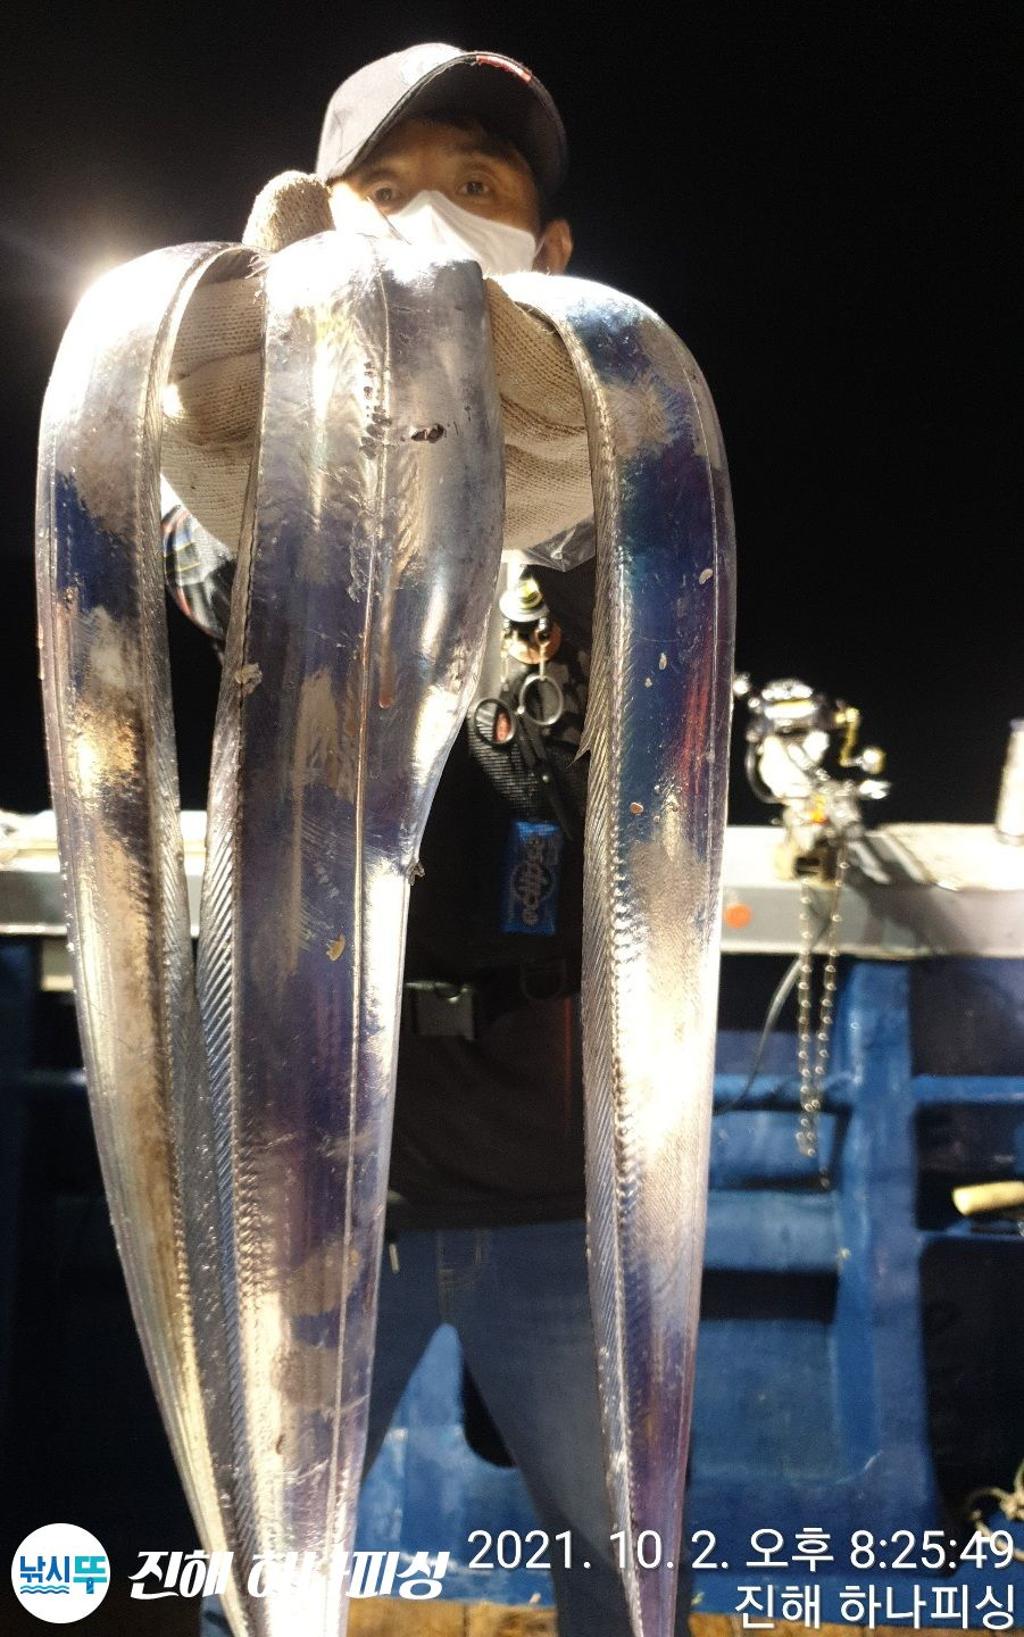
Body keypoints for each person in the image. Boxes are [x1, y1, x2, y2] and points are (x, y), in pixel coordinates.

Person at [181, 43, 694, 1637]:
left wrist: (558, 470)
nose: (427, 219)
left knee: (624, 1569)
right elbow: (212, 578)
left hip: (556, 1198)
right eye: (385, 187)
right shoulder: (258, 498)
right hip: (309, 1188)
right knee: (258, 1577)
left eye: (477, 187)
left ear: (551, 249)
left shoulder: (622, 494)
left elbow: (650, 699)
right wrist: (268, 383)